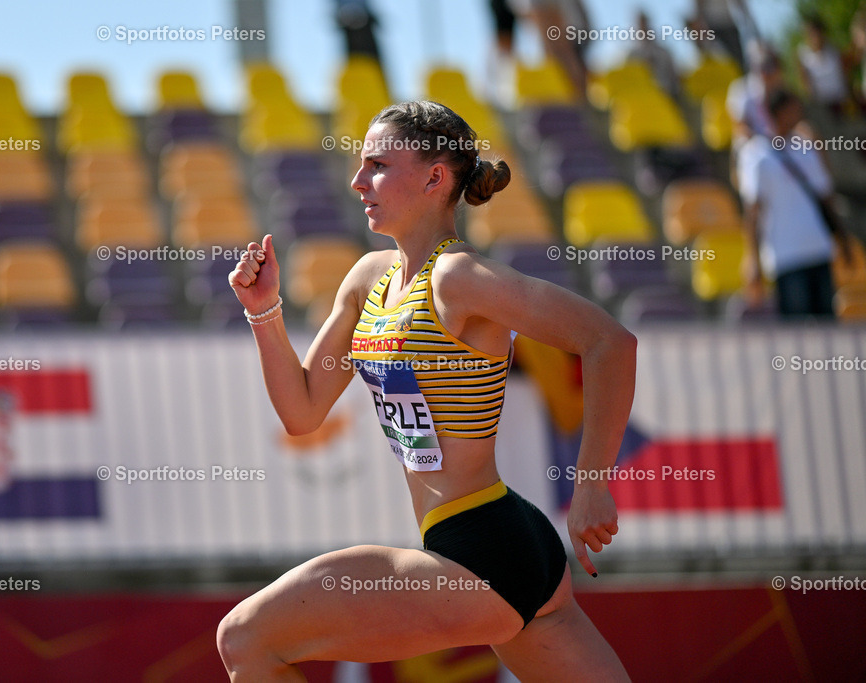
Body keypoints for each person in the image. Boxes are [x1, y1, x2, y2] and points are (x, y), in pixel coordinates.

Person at [218, 101, 635, 681]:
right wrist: (264, 314)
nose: (358, 180)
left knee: (243, 639)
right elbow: (303, 410)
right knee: (245, 639)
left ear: (436, 177)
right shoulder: (369, 279)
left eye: (378, 165)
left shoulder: (458, 278)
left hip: (484, 550)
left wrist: (591, 485)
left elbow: (609, 342)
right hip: (496, 548)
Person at [739, 90, 852, 319]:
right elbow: (753, 212)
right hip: (786, 258)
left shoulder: (806, 148)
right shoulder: (755, 155)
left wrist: (842, 240)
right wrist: (753, 259)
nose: (799, 115)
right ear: (777, 113)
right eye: (793, 110)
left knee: (827, 329)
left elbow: (825, 196)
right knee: (798, 336)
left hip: (818, 249)